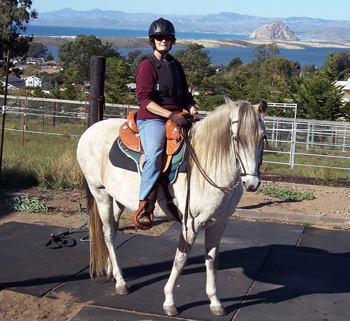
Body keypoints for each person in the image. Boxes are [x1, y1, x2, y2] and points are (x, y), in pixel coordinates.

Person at [133, 17, 200, 229]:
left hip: (178, 115)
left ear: (172, 41)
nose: (164, 41)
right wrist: (170, 116)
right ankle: (145, 204)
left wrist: (193, 111)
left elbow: (186, 96)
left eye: (167, 38)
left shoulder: (176, 66)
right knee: (154, 153)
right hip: (153, 118)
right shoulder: (147, 65)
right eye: (159, 38)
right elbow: (144, 100)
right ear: (153, 41)